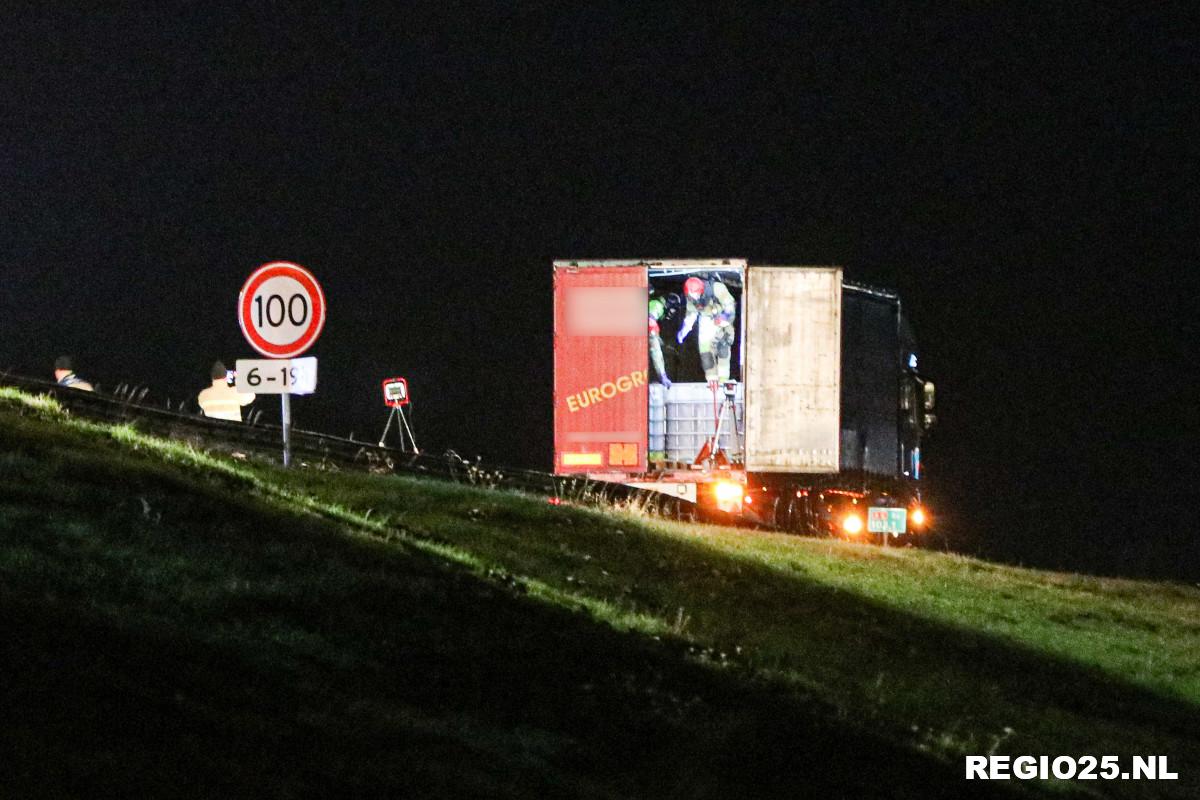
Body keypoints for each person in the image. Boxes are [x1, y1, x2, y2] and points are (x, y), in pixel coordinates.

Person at [676, 276, 737, 383]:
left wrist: (723, 318)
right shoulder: (690, 298)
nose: (694, 298)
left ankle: (723, 380)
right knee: (705, 352)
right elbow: (691, 315)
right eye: (691, 296)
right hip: (706, 321)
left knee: (723, 348)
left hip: (723, 319)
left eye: (696, 295)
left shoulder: (717, 288)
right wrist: (684, 331)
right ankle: (712, 380)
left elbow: (730, 307)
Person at [648, 297, 671, 388]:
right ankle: (662, 376)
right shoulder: (657, 305)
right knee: (656, 353)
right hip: (651, 328)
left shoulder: (654, 304)